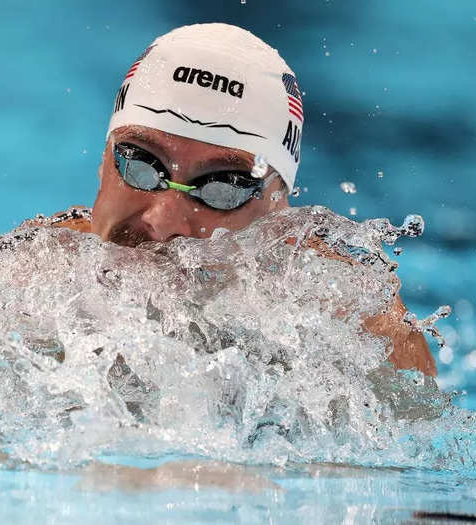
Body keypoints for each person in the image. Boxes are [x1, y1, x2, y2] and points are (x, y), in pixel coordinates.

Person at [24, 23, 437, 376]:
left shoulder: (352, 320)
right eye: (141, 164)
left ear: (279, 208)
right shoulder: (28, 274)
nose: (165, 220)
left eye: (223, 187)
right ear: (103, 163)